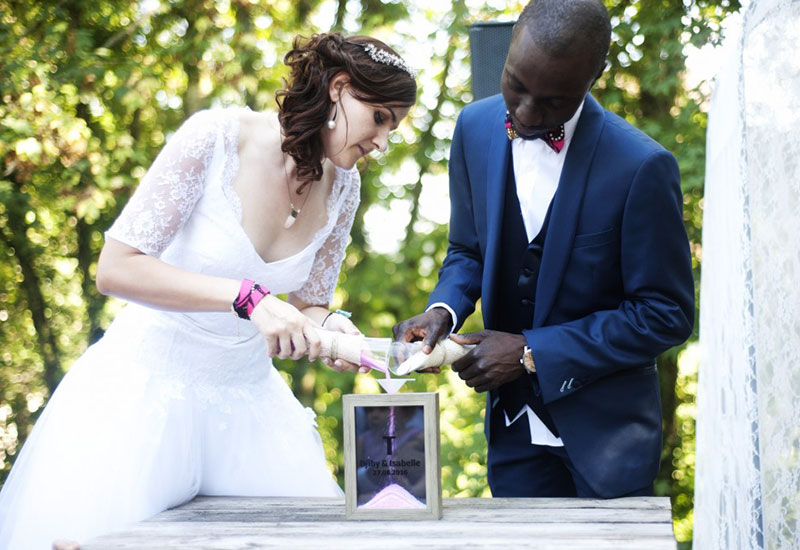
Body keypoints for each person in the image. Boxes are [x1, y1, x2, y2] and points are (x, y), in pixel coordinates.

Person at [0, 32, 416, 549]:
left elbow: (309, 301)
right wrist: (247, 297)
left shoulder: (344, 187)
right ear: (338, 88)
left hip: (249, 411)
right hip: (143, 399)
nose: (382, 141)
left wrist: (330, 327)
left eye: (392, 128)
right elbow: (116, 269)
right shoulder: (217, 138)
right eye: (380, 118)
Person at [394, 0, 694, 499]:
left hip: (608, 442)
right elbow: (468, 250)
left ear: (595, 74)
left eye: (553, 101)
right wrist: (442, 309)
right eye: (515, 84)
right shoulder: (473, 128)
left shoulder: (642, 166)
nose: (527, 113)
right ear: (510, 49)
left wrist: (533, 352)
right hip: (512, 433)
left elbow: (666, 314)